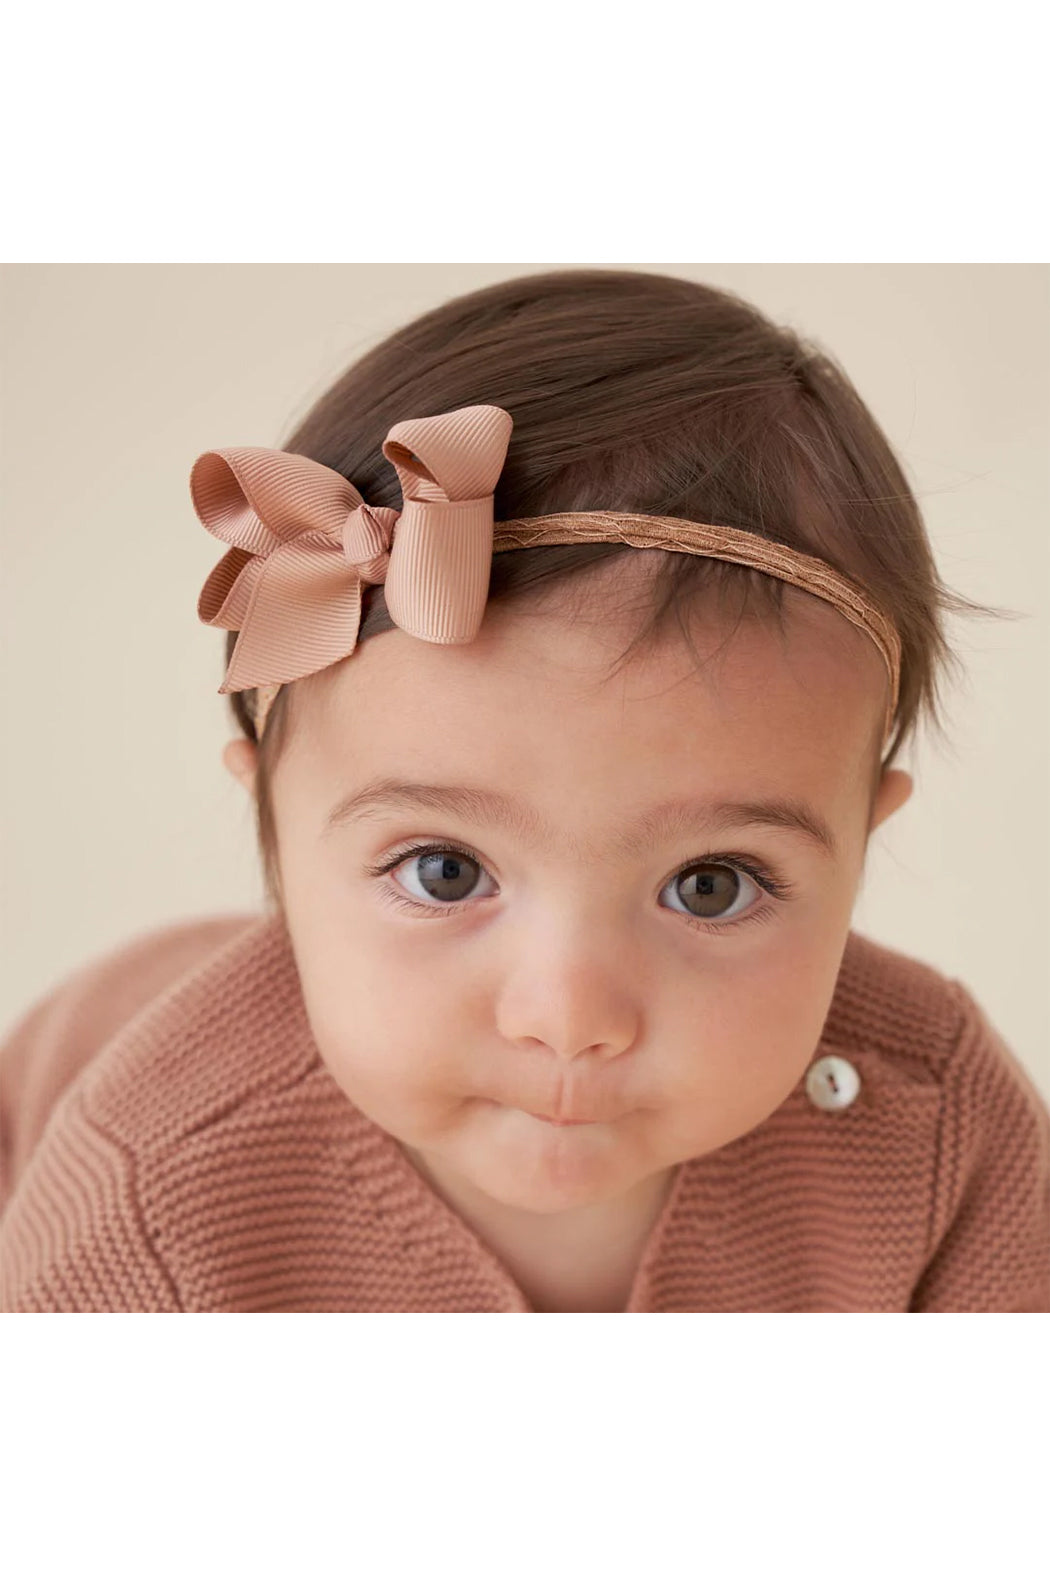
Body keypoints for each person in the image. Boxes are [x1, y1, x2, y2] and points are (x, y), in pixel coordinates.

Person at [2, 267, 1047, 1313]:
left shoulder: (942, 1128)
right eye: (445, 871)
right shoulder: (146, 1195)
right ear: (273, 826)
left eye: (713, 884)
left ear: (861, 846)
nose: (570, 1017)